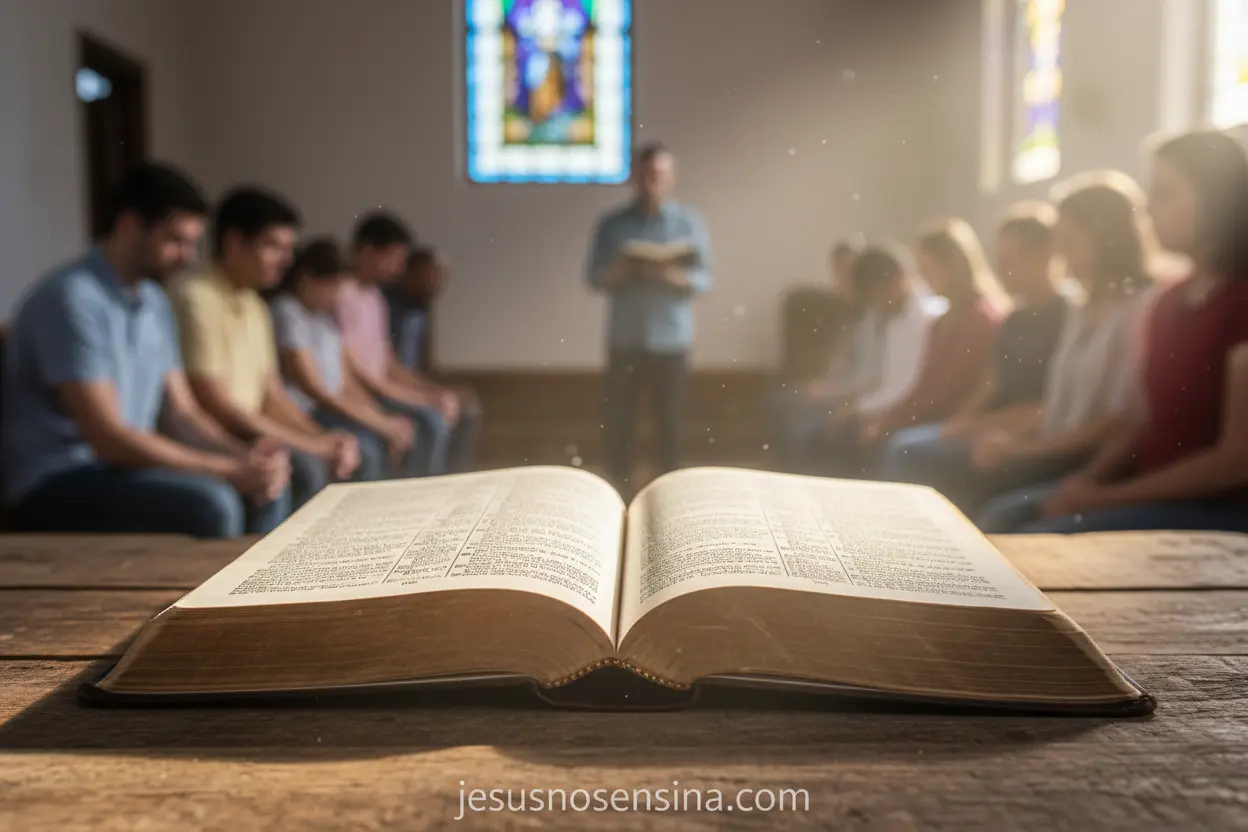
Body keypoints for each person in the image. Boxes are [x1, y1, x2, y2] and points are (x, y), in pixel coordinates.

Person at [1, 164, 289, 538]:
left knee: (266, 487)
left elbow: (183, 414)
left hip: (117, 469)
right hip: (57, 480)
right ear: (129, 225)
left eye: (191, 243)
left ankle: (255, 594)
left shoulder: (154, 302)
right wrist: (226, 470)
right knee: (212, 503)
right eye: (175, 240)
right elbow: (107, 437)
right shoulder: (73, 298)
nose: (187, 257)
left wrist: (243, 457)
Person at [988, 131, 1248, 533]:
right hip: (1143, 485)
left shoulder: (1238, 301)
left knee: (1031, 540)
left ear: (1219, 197)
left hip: (1213, 507)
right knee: (1003, 517)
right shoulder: (1170, 303)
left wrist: (1105, 496)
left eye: (1165, 193)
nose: (1147, 208)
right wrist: (1089, 480)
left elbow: (1236, 460)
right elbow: (1142, 419)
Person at [972, 171, 1160, 530]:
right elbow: (1061, 405)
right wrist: (1012, 438)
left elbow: (1116, 420)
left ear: (1105, 239)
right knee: (969, 473)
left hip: (1087, 459)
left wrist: (1021, 449)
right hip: (1057, 451)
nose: (1057, 252)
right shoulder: (1081, 307)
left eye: (1068, 240)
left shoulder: (1140, 308)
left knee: (997, 515)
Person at [169, 187, 360, 510]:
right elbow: (215, 403)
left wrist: (321, 438)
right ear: (234, 242)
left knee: (340, 453)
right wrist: (309, 444)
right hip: (214, 436)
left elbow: (271, 395)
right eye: (273, 246)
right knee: (303, 468)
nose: (287, 260)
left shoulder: (255, 304)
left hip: (251, 430)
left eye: (289, 248)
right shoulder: (195, 297)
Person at [877, 204, 1068, 501]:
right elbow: (989, 384)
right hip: (991, 424)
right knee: (908, 445)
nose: (1001, 270)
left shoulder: (1066, 317)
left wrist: (982, 426)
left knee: (907, 450)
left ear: (1043, 256)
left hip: (1021, 431)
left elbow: (1048, 403)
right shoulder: (1015, 319)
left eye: (1010, 260)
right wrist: (963, 420)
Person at [586, 142, 712, 495]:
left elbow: (706, 277)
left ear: (672, 178)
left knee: (670, 422)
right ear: (634, 177)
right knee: (619, 422)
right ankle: (618, 493)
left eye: (659, 174)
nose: (651, 181)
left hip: (672, 340)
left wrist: (675, 277)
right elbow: (593, 277)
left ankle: (670, 494)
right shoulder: (612, 224)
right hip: (626, 339)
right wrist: (621, 270)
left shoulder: (690, 222)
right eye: (645, 174)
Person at [769, 244, 944, 476]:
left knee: (828, 434)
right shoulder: (895, 319)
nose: (877, 304)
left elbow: (909, 384)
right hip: (887, 406)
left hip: (913, 412)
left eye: (879, 295)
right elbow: (892, 380)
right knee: (814, 428)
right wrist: (861, 409)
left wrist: (867, 412)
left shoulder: (927, 316)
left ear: (896, 280)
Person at [271, 238, 431, 481]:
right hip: (307, 412)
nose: (336, 296)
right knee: (368, 447)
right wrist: (378, 424)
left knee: (395, 432)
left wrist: (381, 418)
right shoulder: (288, 311)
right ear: (306, 278)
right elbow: (314, 388)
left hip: (330, 407)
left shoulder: (324, 322)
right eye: (331, 285)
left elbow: (346, 384)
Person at [336, 213, 471, 476]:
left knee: (450, 408)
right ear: (366, 251)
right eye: (393, 259)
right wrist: (419, 397)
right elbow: (355, 370)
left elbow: (387, 363)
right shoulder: (343, 294)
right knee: (430, 420)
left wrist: (433, 391)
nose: (398, 268)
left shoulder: (374, 296)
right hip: (363, 393)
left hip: (382, 388)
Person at [856, 218, 1007, 444]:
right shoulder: (943, 321)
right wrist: (889, 416)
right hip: (934, 417)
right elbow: (924, 385)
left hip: (957, 421)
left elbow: (946, 390)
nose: (922, 277)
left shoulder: (980, 317)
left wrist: (893, 421)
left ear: (951, 265)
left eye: (927, 267)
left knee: (896, 446)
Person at [387, 246, 482, 473]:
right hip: (393, 387)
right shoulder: (389, 305)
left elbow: (426, 363)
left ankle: (456, 477)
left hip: (414, 382)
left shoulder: (423, 306)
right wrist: (429, 392)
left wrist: (441, 387)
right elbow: (390, 367)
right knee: (434, 417)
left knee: (468, 405)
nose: (440, 282)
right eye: (435, 274)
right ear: (413, 272)